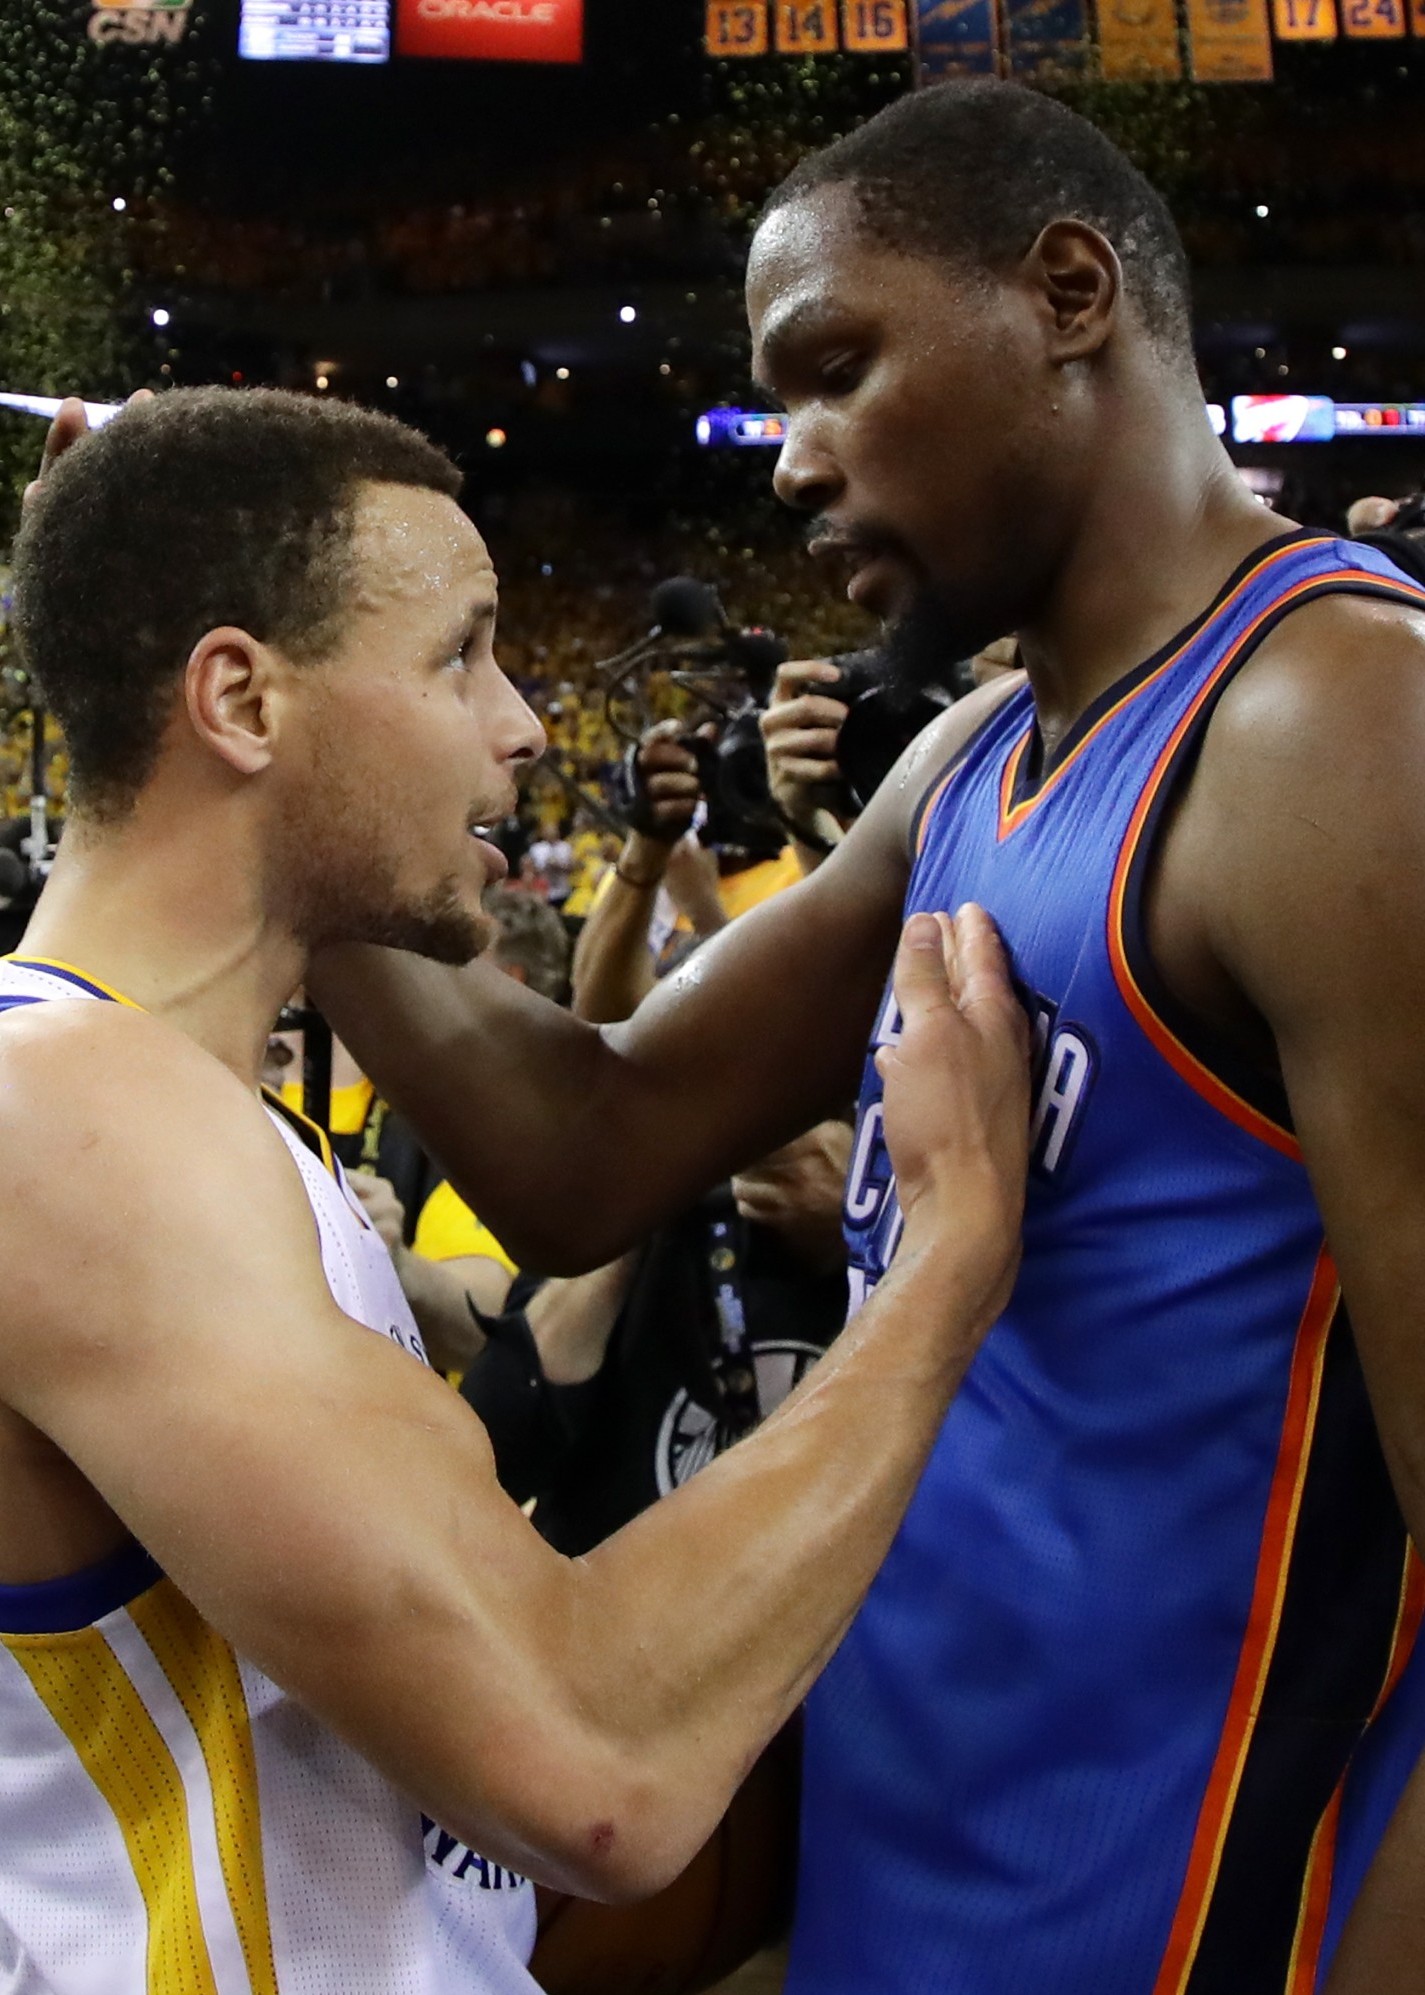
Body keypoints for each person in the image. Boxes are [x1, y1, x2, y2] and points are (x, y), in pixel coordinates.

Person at [312, 80, 1425, 1995]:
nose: (789, 462)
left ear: (1067, 291)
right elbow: (589, 1148)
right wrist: (287, 844)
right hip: (907, 1880)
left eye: (836, 368)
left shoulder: (1339, 733)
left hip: (1190, 1910)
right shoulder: (972, 760)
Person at [0, 385, 1028, 1995]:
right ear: (242, 703)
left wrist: (124, 565)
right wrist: (946, 1263)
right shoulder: (63, 1117)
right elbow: (597, 1767)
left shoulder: (164, 1104)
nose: (524, 724)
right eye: (459, 653)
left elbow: (572, 1139)